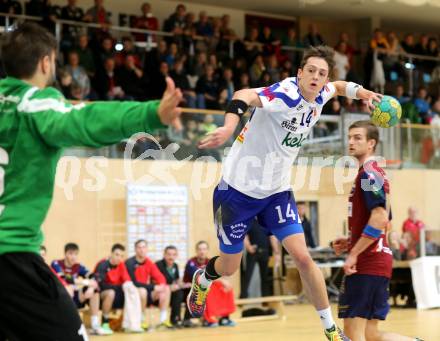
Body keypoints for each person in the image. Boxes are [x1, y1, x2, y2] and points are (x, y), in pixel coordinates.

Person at [186, 45, 383, 341]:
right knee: (229, 267)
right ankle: (203, 278)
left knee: (304, 258)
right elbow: (243, 94)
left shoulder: (322, 93)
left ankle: (330, 330)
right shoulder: (284, 94)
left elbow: (340, 87)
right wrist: (229, 126)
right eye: (311, 72)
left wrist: (362, 93)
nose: (317, 78)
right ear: (299, 73)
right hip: (236, 192)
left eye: (322, 73)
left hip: (277, 192)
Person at [0, 22, 181, 341]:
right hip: (12, 257)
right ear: (46, 62)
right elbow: (86, 122)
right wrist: (151, 113)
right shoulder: (36, 103)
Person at [331, 120, 422, 341]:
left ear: (371, 143)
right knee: (371, 335)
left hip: (368, 263)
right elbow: (383, 217)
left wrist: (354, 253)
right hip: (376, 261)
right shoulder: (371, 173)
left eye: (358, 138)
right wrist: (352, 240)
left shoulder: (368, 175)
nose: (351, 142)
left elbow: (380, 217)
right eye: (350, 137)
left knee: (353, 333)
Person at [51, 243, 110, 335]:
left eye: (75, 254)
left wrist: (91, 287)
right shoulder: (56, 263)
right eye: (70, 254)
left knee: (95, 289)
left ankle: (95, 326)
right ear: (65, 254)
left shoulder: (79, 266)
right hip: (61, 299)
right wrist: (85, 282)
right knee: (68, 287)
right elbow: (63, 279)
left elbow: (95, 277)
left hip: (76, 298)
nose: (73, 257)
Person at [183, 241, 235, 328]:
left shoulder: (211, 262)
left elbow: (218, 275)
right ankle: (208, 319)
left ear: (207, 250)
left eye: (204, 249)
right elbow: (199, 277)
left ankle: (224, 317)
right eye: (200, 249)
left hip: (206, 287)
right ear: (196, 251)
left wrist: (224, 281)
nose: (202, 251)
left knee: (226, 288)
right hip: (189, 288)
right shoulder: (191, 262)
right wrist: (221, 281)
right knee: (206, 287)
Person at [125, 239, 173, 330]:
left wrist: (162, 286)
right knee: (143, 291)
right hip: (134, 291)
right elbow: (134, 283)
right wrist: (154, 286)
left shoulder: (148, 262)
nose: (142, 250)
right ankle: (141, 320)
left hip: (147, 291)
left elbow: (159, 276)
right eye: (139, 247)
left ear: (147, 249)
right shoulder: (129, 263)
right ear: (135, 249)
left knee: (166, 288)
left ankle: (163, 320)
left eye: (144, 247)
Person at [94, 244, 133, 332]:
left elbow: (127, 280)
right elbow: (101, 285)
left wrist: (128, 287)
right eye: (117, 254)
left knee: (130, 290)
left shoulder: (121, 265)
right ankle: (105, 323)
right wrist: (118, 287)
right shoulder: (102, 264)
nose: (119, 258)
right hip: (100, 295)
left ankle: (130, 323)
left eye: (121, 256)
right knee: (111, 292)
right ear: (111, 254)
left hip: (116, 293)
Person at [156, 245, 188, 327]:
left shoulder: (175, 266)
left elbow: (177, 280)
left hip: (172, 292)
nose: (171, 257)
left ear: (176, 255)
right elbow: (154, 281)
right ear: (164, 254)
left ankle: (177, 320)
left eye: (174, 254)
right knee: (178, 293)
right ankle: (171, 319)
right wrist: (169, 287)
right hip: (160, 292)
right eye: (169, 254)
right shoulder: (158, 265)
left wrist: (183, 284)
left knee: (181, 292)